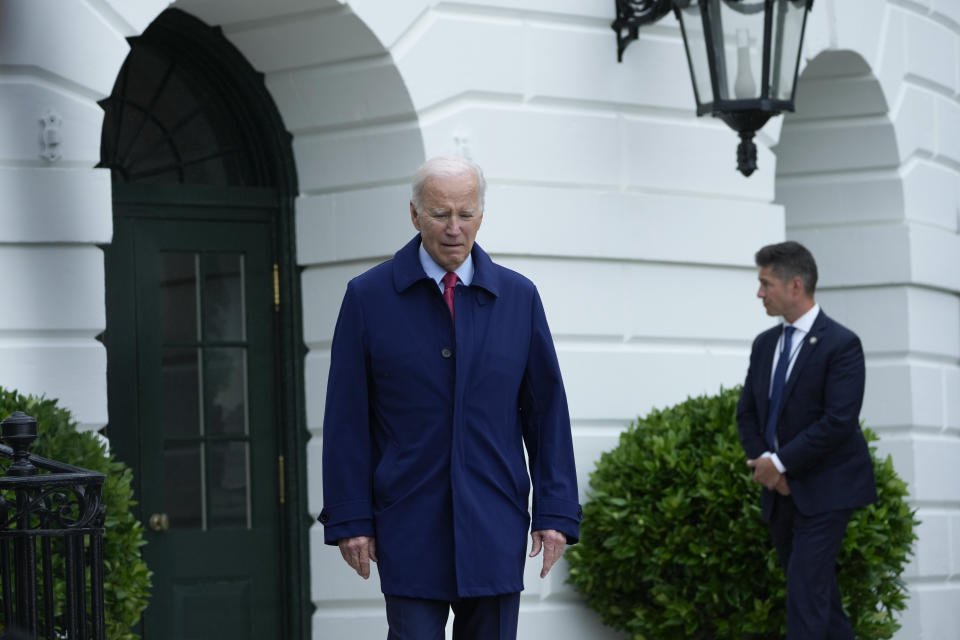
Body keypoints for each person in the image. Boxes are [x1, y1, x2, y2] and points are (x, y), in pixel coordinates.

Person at [318, 156, 582, 640]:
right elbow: (346, 418)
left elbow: (546, 414)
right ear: (415, 215)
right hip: (408, 520)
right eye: (441, 215)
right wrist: (351, 516)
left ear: (482, 215)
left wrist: (555, 512)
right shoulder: (368, 297)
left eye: (467, 214)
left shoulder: (519, 298)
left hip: (494, 519)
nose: (455, 228)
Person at [736, 241, 877, 640]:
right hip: (781, 493)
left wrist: (780, 464)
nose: (759, 293)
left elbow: (839, 420)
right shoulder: (765, 344)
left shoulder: (842, 344)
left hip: (827, 490)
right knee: (820, 599)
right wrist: (765, 462)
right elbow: (746, 412)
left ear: (795, 285)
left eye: (766, 283)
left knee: (804, 592)